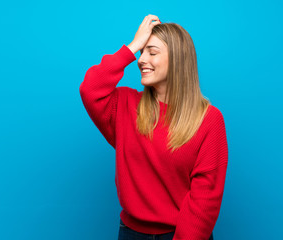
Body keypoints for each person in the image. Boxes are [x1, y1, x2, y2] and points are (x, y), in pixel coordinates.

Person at [79, 14, 228, 240]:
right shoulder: (125, 106)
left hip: (182, 235)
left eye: (152, 52)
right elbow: (90, 89)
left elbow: (204, 200)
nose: (141, 60)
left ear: (177, 59)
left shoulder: (209, 120)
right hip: (130, 233)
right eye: (141, 52)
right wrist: (132, 47)